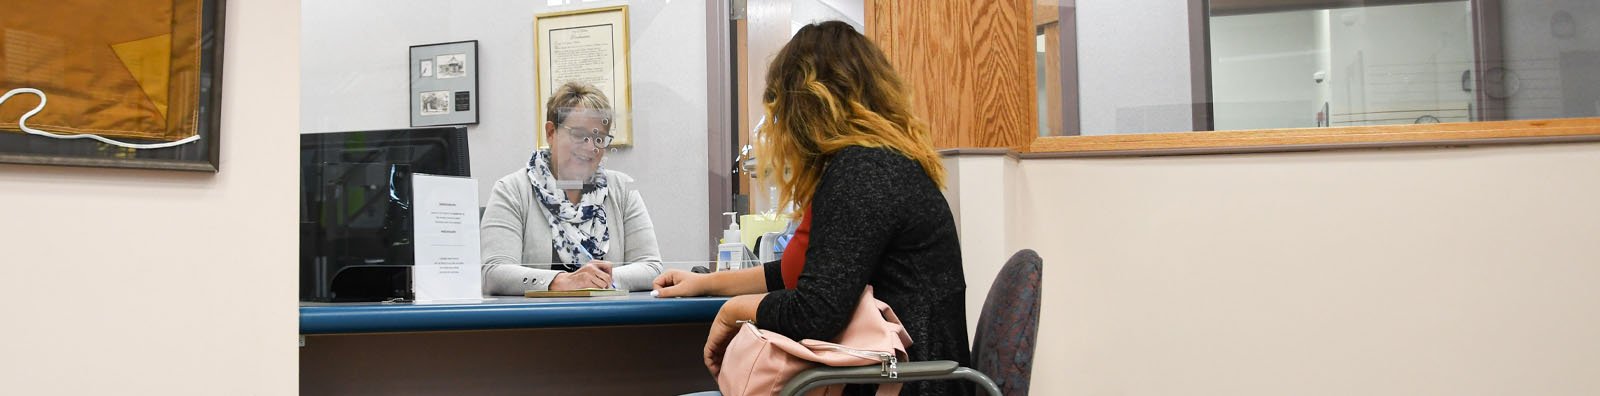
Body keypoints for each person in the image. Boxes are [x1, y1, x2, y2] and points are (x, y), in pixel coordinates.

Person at [653, 21, 973, 395]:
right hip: (894, 375)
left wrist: (732, 311)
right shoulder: (877, 163)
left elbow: (815, 312)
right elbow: (814, 274)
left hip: (907, 383)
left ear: (805, 105)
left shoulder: (864, 171)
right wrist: (706, 284)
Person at [480, 81, 663, 294]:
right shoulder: (512, 190)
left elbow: (652, 267)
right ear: (550, 132)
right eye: (579, 135)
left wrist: (597, 279)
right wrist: (562, 281)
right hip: (537, 323)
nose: (590, 147)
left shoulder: (622, 189)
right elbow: (493, 273)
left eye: (599, 138)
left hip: (610, 321)